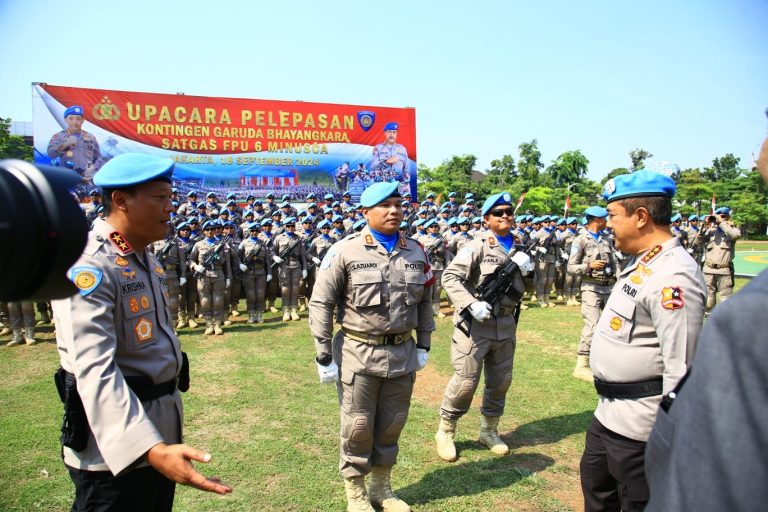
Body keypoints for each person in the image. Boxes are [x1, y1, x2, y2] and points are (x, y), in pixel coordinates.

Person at [51, 153, 231, 511]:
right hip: (114, 449)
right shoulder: (89, 265)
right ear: (120, 200)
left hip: (158, 432)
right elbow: (94, 370)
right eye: (159, 198)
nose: (170, 207)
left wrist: (159, 445)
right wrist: (151, 447)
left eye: (171, 197)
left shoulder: (141, 255)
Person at [644, 117, 768, 512]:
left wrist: (724, 223)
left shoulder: (750, 320)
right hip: (711, 271)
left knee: (718, 309)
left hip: (722, 272)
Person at [579, 171, 706, 512]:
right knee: (597, 491)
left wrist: (668, 441)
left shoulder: (673, 276)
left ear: (640, 217)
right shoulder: (644, 264)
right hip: (609, 415)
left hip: (641, 429)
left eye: (612, 216)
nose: (607, 225)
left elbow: (683, 369)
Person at [309, 181, 435, 512]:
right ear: (366, 212)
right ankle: (356, 492)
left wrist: (424, 343)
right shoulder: (344, 251)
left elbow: (425, 301)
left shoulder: (416, 251)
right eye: (384, 205)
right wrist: (323, 354)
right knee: (358, 425)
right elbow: (321, 303)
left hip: (402, 352)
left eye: (398, 204)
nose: (394, 211)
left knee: (393, 421)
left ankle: (381, 487)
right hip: (358, 352)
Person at [435, 192, 532, 463]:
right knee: (466, 382)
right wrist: (469, 303)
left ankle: (489, 430)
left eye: (508, 211)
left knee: (501, 382)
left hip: (506, 323)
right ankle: (446, 430)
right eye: (498, 213)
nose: (505, 216)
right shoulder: (476, 245)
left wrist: (529, 272)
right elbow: (450, 277)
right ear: (487, 219)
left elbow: (527, 289)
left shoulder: (522, 245)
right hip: (476, 325)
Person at [566, 206, 617, 382]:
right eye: (604, 218)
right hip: (591, 288)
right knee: (593, 325)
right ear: (596, 219)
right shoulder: (580, 240)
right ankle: (582, 364)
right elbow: (571, 267)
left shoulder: (606, 239)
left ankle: (607, 360)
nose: (607, 221)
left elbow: (614, 262)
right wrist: (589, 267)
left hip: (609, 286)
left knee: (613, 324)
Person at [188, 220, 232, 335]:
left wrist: (228, 277)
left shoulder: (221, 244)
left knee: (218, 300)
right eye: (207, 230)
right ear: (203, 231)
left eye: (212, 229)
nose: (210, 231)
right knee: (205, 300)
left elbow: (227, 262)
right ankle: (209, 324)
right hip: (203, 275)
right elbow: (191, 258)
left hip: (218, 274)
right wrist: (195, 266)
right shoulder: (198, 245)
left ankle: (217, 324)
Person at [701, 206, 741, 312]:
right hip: (708, 270)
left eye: (723, 216)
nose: (719, 218)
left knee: (726, 302)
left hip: (724, 270)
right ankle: (710, 323)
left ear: (727, 217)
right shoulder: (710, 231)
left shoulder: (733, 230)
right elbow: (698, 242)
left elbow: (735, 235)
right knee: (708, 302)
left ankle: (725, 325)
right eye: (718, 216)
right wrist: (703, 226)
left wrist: (722, 223)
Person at [47, 105, 101, 181]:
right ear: (65, 120)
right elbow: (51, 153)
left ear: (83, 120)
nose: (74, 122)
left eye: (78, 119)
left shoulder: (91, 137)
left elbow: (99, 158)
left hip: (87, 179)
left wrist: (93, 168)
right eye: (71, 118)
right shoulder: (59, 136)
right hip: (67, 178)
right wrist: (64, 145)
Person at [271, 216, 307, 321]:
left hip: (296, 266)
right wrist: (274, 256)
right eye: (289, 226)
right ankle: (286, 311)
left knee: (295, 289)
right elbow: (272, 250)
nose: (291, 228)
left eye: (292, 226)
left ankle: (294, 310)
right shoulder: (279, 238)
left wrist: (304, 269)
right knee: (285, 289)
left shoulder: (298, 238)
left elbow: (303, 255)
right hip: (284, 266)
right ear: (285, 227)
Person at [369, 123, 410, 194]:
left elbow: (406, 172)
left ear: (397, 134)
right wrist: (386, 161)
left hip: (398, 188)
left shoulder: (402, 149)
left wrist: (406, 192)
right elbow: (372, 169)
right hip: (382, 188)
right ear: (385, 133)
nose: (392, 135)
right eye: (389, 132)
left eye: (394, 132)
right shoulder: (378, 148)